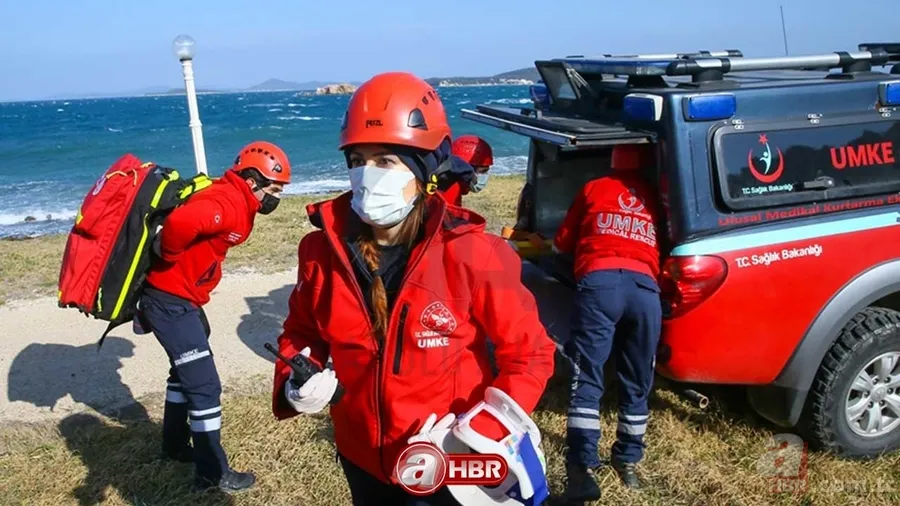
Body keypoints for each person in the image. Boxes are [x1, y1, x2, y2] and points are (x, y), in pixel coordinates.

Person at [269, 71, 556, 506]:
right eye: (357, 160)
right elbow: (302, 334)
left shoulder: (475, 253)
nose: (367, 175)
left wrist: (484, 429)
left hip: (446, 461)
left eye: (385, 160)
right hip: (360, 454)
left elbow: (530, 354)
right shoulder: (319, 250)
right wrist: (297, 379)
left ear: (424, 172)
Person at [139, 141, 291, 493]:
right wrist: (170, 255)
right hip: (169, 301)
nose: (277, 196)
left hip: (180, 298)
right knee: (205, 385)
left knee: (184, 371)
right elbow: (181, 222)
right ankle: (212, 473)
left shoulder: (235, 196)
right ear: (252, 180)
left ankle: (174, 445)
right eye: (274, 188)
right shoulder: (227, 202)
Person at [553, 143, 663, 502]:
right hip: (645, 289)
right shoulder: (657, 194)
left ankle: (583, 464)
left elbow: (562, 241)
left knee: (587, 375)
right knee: (638, 380)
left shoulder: (594, 186)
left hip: (600, 284)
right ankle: (628, 462)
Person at [440, 135, 494, 207]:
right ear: (468, 168)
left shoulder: (444, 183)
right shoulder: (451, 192)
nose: (485, 176)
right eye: (483, 171)